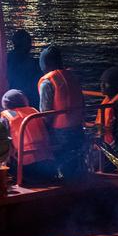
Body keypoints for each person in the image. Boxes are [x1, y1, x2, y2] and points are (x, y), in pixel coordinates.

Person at [38, 44, 85, 179]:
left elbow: (46, 112)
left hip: (60, 132)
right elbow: (82, 101)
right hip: (77, 128)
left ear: (45, 63)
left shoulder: (47, 82)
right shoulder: (72, 76)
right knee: (75, 163)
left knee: (61, 165)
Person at [0, 89, 56, 185]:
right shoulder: (34, 112)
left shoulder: (6, 118)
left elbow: (2, 140)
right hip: (47, 162)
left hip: (25, 165)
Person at [95, 67, 118, 157]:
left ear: (115, 85)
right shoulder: (108, 101)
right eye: (101, 82)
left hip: (112, 150)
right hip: (102, 145)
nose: (102, 85)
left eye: (106, 83)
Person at [7, 29, 42, 108]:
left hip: (13, 96)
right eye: (29, 43)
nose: (31, 46)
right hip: (27, 100)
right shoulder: (33, 64)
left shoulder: (6, 59)